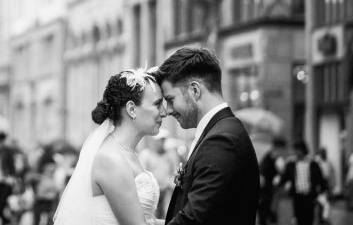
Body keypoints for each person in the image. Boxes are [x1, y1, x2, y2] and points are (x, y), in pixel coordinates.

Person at [157, 46, 260, 225]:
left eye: (171, 100)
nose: (168, 111)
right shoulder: (218, 131)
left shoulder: (221, 140)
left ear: (195, 90)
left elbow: (194, 219)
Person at [53, 68, 165, 225]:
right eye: (158, 104)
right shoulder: (111, 158)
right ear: (131, 109)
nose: (165, 112)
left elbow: (149, 220)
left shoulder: (127, 153)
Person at [278, 140, 327, 225]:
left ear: (303, 150)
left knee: (309, 218)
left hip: (309, 196)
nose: (296, 152)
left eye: (298, 150)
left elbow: (320, 178)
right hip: (297, 196)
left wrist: (323, 190)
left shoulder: (312, 163)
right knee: (298, 217)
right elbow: (285, 177)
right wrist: (278, 183)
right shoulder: (292, 164)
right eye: (295, 150)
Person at [0, 131, 24, 225]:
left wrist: (13, 177)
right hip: (0, 181)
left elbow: (14, 166)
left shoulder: (7, 151)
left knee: (6, 205)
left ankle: (9, 222)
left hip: (8, 181)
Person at [258, 137, 287, 225]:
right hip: (265, 187)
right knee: (265, 208)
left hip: (266, 187)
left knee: (265, 209)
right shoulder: (273, 156)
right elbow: (281, 169)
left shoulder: (270, 156)